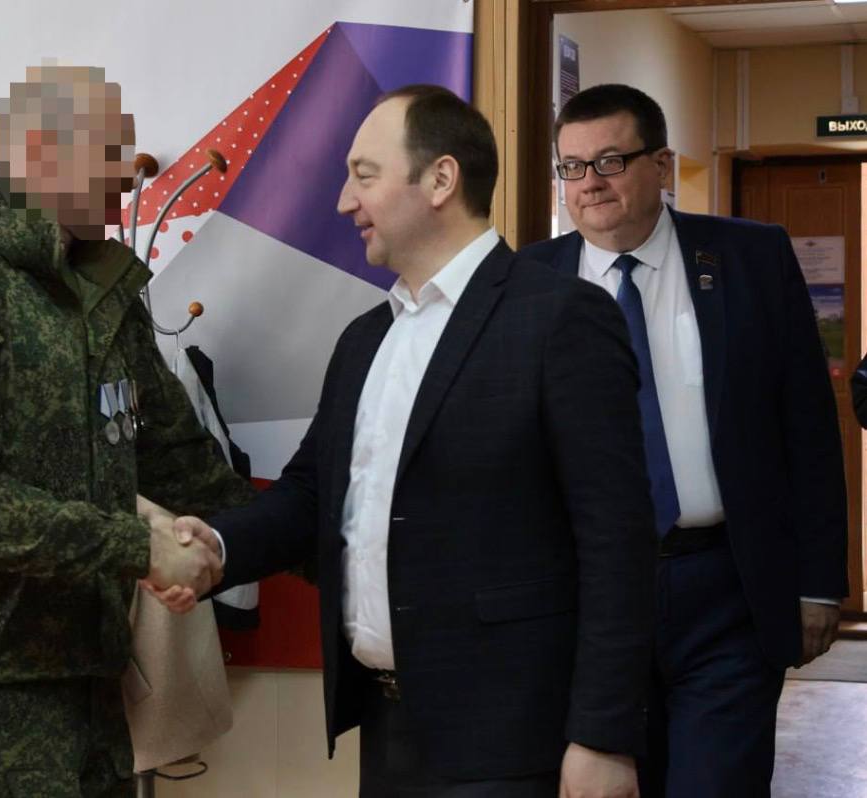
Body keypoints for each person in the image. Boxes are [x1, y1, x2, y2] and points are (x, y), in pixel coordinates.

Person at [152, 84, 657, 797]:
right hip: (388, 732)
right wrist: (218, 549)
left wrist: (604, 735)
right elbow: (311, 495)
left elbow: (618, 542)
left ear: (441, 180)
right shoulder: (366, 339)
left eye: (364, 175)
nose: (343, 202)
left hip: (516, 744)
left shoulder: (561, 318)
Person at [0, 63, 254, 798]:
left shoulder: (105, 300)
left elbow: (181, 465)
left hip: (101, 704)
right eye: (110, 154)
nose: (124, 179)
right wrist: (139, 549)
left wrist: (320, 543)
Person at [520, 83, 848, 798]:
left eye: (610, 160)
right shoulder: (526, 283)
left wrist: (820, 582)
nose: (590, 183)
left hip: (726, 585)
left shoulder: (751, 258)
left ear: (662, 165)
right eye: (572, 167)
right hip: (588, 595)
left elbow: (808, 427)